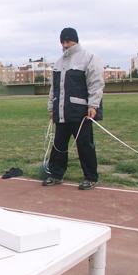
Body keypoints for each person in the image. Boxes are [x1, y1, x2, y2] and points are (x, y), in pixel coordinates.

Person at [43, 27, 105, 190]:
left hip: (80, 113)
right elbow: (53, 88)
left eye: (68, 41)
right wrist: (51, 107)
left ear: (75, 40)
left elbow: (96, 83)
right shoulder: (58, 62)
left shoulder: (88, 58)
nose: (65, 44)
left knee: (85, 145)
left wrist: (93, 105)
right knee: (58, 145)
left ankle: (91, 176)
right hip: (61, 112)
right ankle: (56, 174)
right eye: (62, 41)